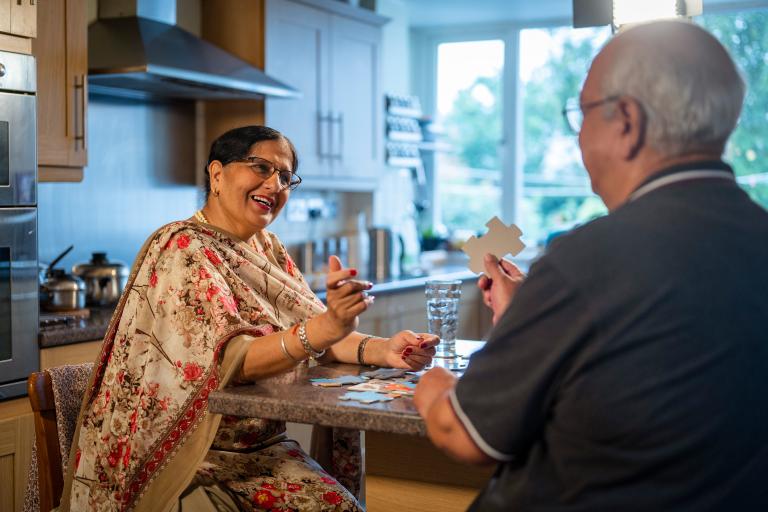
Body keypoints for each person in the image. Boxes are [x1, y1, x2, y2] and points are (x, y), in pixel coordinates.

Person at [414, 19, 768, 511]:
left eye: (583, 113)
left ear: (626, 120)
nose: (578, 138)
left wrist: (433, 388)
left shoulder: (587, 259)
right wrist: (527, 315)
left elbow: (466, 436)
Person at [58, 125, 439, 512]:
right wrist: (324, 328)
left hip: (260, 450)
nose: (275, 184)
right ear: (217, 175)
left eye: (286, 177)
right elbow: (232, 362)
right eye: (261, 167)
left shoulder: (266, 248)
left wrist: (385, 350)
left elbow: (316, 325)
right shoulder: (183, 247)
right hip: (190, 454)